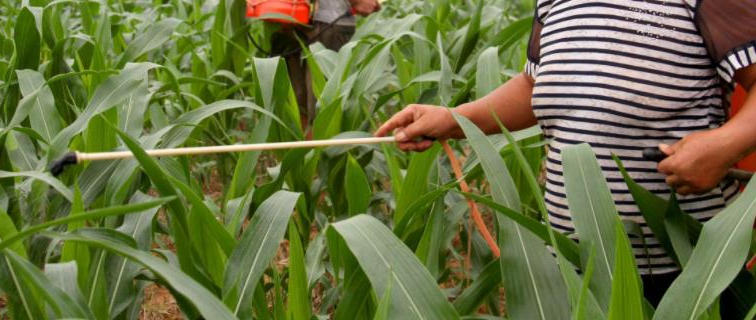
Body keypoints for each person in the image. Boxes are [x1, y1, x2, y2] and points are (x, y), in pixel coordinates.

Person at [375, 0, 756, 305]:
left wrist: (725, 145)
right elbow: (536, 85)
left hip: (685, 271)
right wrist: (454, 120)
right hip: (573, 262)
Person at [271, 0, 381, 130]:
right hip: (310, 19)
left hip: (324, 21)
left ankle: (315, 139)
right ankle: (307, 138)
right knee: (305, 93)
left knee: (316, 92)